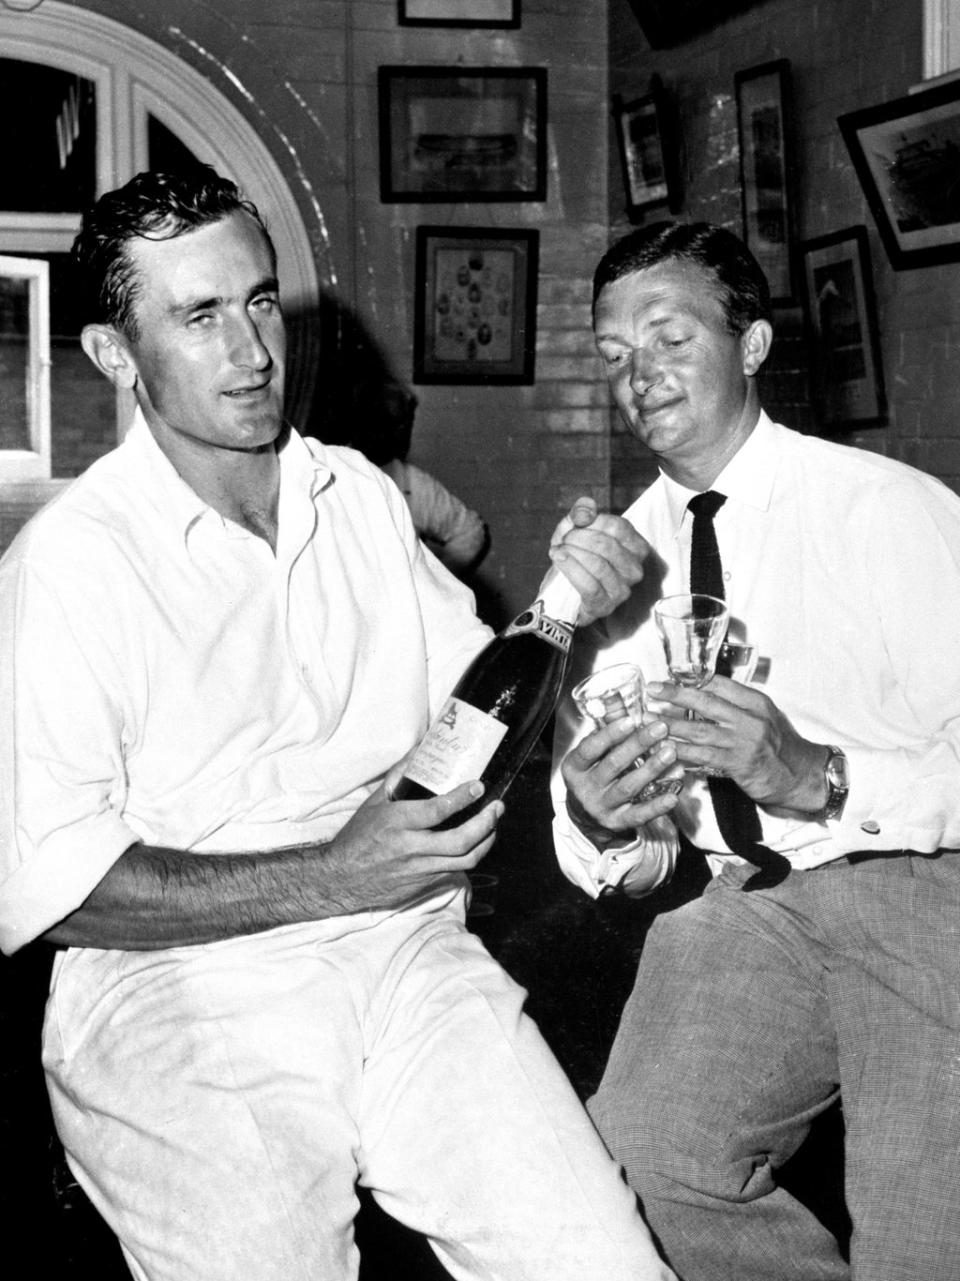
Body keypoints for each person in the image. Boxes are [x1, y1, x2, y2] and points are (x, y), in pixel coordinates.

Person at [0, 168, 678, 1281]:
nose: (254, 352)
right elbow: (61, 893)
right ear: (114, 355)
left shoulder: (354, 496)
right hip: (179, 995)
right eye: (200, 316)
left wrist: (569, 636)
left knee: (604, 1266)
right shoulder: (66, 572)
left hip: (407, 954)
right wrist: (328, 874)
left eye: (260, 301)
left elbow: (481, 710)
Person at [551, 219, 960, 1281]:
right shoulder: (617, 566)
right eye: (613, 355)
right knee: (642, 1163)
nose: (638, 377)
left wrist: (821, 778)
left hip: (926, 890)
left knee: (924, 1242)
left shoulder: (885, 512)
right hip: (744, 903)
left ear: (754, 346)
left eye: (669, 338)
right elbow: (632, 857)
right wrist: (601, 817)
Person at [353, 381, 490, 577]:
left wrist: (436, 580)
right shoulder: (329, 471)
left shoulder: (414, 483)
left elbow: (470, 530)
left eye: (400, 424)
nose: (392, 433)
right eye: (380, 421)